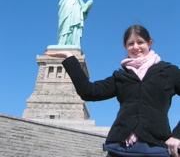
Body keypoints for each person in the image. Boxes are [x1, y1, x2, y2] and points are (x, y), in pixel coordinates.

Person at [45, 25, 180, 157]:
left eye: (140, 42)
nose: (136, 47)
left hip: (155, 148)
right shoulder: (120, 76)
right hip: (119, 149)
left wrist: (177, 135)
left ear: (150, 43)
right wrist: (70, 58)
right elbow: (88, 91)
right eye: (130, 44)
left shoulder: (169, 72)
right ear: (125, 47)